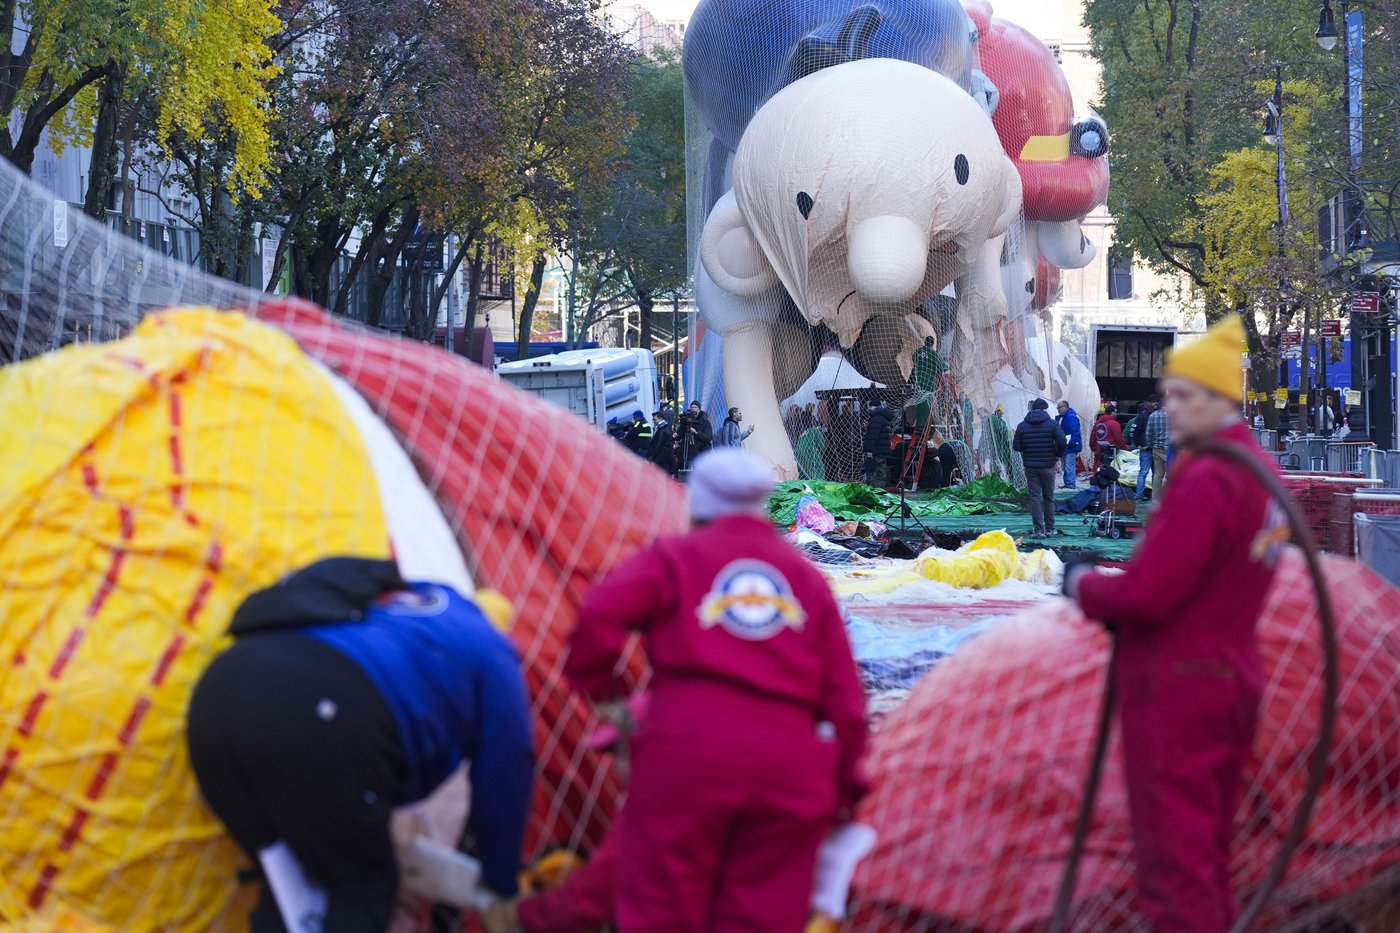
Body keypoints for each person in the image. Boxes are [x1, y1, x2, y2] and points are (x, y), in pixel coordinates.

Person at [564, 449, 869, 932]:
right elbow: (847, 701)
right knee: (760, 914)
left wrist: (608, 693)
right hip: (787, 765)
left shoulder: (672, 559)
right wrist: (848, 786)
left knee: (661, 909)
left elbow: (598, 617)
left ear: (696, 503)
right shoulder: (805, 579)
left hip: (686, 755)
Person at [1062, 316, 1286, 933]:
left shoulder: (1209, 475)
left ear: (1220, 400)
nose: (1171, 409)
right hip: (1228, 673)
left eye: (1185, 396)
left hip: (1182, 685)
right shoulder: (1258, 471)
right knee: (1207, 853)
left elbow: (1150, 591)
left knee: (1175, 865)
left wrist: (1082, 584)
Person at [185, 558, 534, 933]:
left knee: (292, 884)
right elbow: (507, 768)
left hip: (217, 694)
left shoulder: (421, 596)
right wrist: (500, 885)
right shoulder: (494, 654)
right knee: (362, 891)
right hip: (318, 710)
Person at [1013, 398, 1066, 538]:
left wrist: (1028, 448)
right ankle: (1050, 529)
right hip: (1048, 465)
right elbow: (1062, 442)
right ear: (1044, 409)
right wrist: (1057, 456)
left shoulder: (1022, 425)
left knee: (1035, 498)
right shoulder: (1052, 424)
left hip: (1030, 466)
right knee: (1049, 497)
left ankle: (1038, 530)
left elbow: (1016, 446)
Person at [862, 400, 894, 487]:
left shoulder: (876, 419)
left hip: (875, 450)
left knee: (873, 473)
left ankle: (874, 493)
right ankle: (880, 492)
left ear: (874, 407)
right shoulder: (885, 418)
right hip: (882, 450)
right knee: (881, 473)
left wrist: (870, 450)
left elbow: (873, 436)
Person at [677, 401, 713, 470]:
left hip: (700, 453)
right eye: (691, 407)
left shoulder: (705, 422)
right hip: (687, 452)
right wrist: (676, 435)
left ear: (699, 409)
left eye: (695, 407)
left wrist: (696, 433)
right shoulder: (686, 420)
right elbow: (680, 435)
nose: (693, 409)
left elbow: (708, 438)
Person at [1147, 393, 1171, 495]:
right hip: (1171, 449)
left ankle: (1155, 499)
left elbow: (1148, 433)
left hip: (1156, 448)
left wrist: (1150, 446)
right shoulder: (1174, 416)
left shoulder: (1153, 416)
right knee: (1171, 474)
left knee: (1158, 474)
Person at [1131, 398, 1155, 500]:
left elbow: (1133, 431)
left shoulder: (1153, 415)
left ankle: (1152, 494)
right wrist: (1138, 445)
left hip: (1155, 448)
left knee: (1155, 474)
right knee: (1145, 473)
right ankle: (1139, 494)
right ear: (1148, 403)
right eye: (1153, 401)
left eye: (1156, 402)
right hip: (1147, 449)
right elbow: (1133, 431)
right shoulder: (1143, 416)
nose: (1155, 404)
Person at [1055, 400, 1083, 489]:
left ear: (1065, 407)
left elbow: (1076, 432)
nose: (1058, 409)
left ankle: (1070, 484)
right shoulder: (1063, 417)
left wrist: (1071, 443)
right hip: (1065, 445)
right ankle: (1068, 483)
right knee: (1065, 466)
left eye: (1059, 407)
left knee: (1068, 465)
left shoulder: (1071, 417)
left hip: (1070, 446)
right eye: (1057, 407)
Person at [1092, 402, 1127, 470]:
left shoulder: (1097, 422)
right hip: (1111, 452)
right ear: (1112, 413)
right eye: (1115, 412)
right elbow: (1119, 438)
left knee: (1099, 471)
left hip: (1099, 451)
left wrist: (1093, 448)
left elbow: (1093, 436)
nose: (1116, 414)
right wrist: (1125, 448)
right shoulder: (1114, 424)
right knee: (1110, 471)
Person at [648, 409, 676, 475]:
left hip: (661, 458)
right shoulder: (663, 428)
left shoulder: (662, 430)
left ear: (660, 418)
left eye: (654, 420)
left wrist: (651, 456)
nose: (653, 421)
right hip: (662, 457)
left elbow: (658, 445)